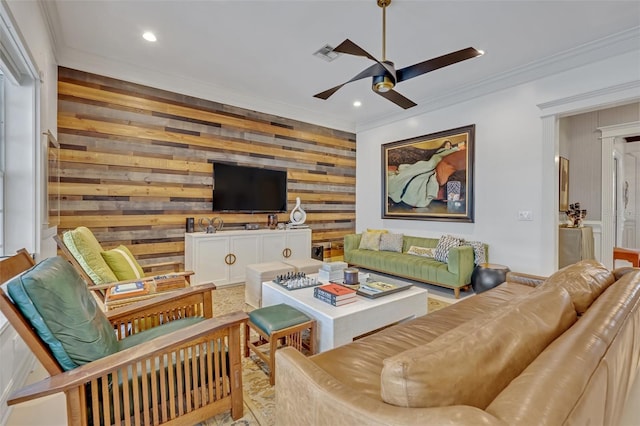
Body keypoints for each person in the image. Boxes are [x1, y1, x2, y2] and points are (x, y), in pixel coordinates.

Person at [387, 140, 465, 208]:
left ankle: (459, 150)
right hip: (427, 186)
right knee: (445, 165)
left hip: (421, 189)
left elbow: (393, 169)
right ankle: (460, 150)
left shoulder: (389, 183)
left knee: (444, 166)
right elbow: (393, 168)